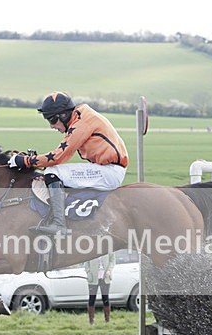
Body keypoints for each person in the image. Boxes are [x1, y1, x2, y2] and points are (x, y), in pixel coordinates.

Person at [7, 91, 129, 235]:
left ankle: (59, 224)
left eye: (52, 120)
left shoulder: (81, 124)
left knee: (53, 172)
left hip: (110, 172)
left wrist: (26, 161)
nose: (52, 126)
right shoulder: (80, 116)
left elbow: (57, 157)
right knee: (54, 173)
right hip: (107, 168)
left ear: (63, 115)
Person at [84, 252, 115, 325]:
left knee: (105, 298)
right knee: (92, 299)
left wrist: (109, 270)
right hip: (93, 277)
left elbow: (112, 260)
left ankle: (107, 320)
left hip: (105, 277)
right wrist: (88, 272)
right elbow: (86, 261)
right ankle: (91, 321)